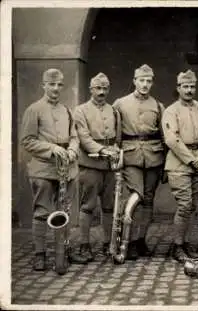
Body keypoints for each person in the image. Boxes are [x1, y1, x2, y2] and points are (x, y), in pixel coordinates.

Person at [21, 68, 87, 271]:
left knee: (64, 211)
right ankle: (39, 254)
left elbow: (74, 136)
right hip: (43, 170)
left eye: (59, 84)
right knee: (42, 212)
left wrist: (74, 150)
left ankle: (62, 252)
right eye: (52, 84)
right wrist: (53, 148)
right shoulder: (34, 109)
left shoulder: (66, 110)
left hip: (66, 170)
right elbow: (27, 141)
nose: (56, 88)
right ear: (44, 85)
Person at [112, 64, 165, 260]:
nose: (145, 84)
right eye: (141, 80)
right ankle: (131, 241)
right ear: (134, 81)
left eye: (148, 81)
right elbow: (116, 134)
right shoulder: (120, 104)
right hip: (130, 154)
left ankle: (141, 240)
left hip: (153, 156)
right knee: (137, 196)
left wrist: (165, 164)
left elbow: (163, 135)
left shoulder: (158, 106)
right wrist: (117, 157)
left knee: (149, 199)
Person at [162, 69, 198, 262]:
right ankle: (177, 247)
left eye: (192, 86)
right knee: (184, 205)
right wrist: (191, 160)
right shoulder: (171, 111)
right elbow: (172, 139)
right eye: (186, 86)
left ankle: (185, 243)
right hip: (179, 164)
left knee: (193, 206)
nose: (190, 90)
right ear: (179, 88)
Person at [72, 72, 121, 262]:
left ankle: (108, 244)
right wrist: (102, 150)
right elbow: (83, 138)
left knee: (109, 206)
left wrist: (115, 148)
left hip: (109, 166)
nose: (101, 92)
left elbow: (117, 136)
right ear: (91, 89)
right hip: (90, 164)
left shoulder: (113, 110)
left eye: (105, 88)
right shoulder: (81, 111)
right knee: (88, 206)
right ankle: (85, 245)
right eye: (98, 88)